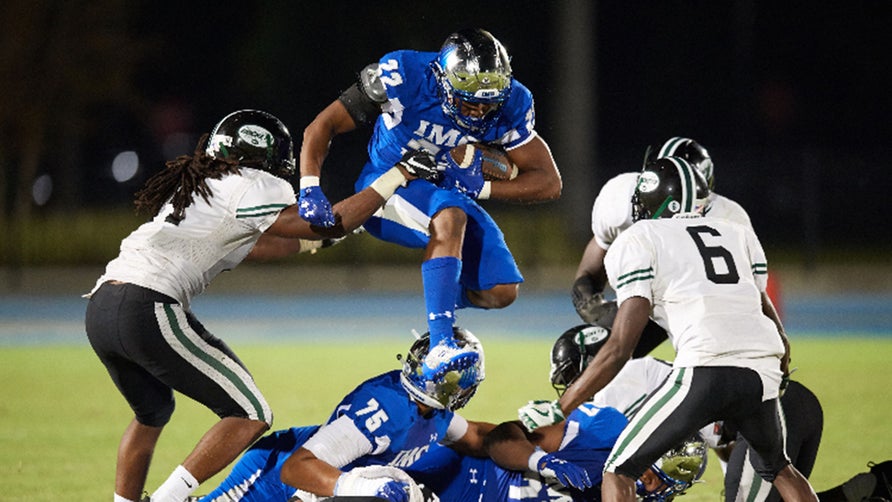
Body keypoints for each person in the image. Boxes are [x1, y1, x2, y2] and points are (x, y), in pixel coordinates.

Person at [84, 109, 436, 502]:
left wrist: (326, 239)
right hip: (147, 305)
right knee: (250, 414)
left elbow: (259, 244)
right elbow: (326, 220)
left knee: (152, 413)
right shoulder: (253, 184)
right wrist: (395, 178)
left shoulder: (206, 184)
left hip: (102, 306)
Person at [520, 157, 818, 501]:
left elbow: (620, 347)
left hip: (706, 364)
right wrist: (779, 365)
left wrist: (561, 408)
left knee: (618, 471)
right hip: (761, 368)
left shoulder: (641, 238)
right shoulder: (734, 230)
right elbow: (767, 312)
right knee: (779, 468)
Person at [297, 28, 561, 378]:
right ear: (444, 82)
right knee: (449, 216)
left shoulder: (513, 102)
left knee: (501, 291)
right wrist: (310, 186)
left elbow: (549, 182)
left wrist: (481, 189)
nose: (480, 112)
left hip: (446, 192)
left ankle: (438, 292)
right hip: (386, 185)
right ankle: (440, 345)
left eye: (488, 103)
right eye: (469, 101)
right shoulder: (405, 75)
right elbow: (324, 124)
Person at [544, 323, 825, 502]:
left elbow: (624, 467)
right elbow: (718, 436)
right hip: (784, 407)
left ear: (593, 362)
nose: (570, 386)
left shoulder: (615, 388)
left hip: (771, 414)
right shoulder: (643, 372)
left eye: (571, 374)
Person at [571, 137, 751, 357]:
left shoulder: (728, 218)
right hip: (646, 302)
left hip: (705, 309)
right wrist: (594, 307)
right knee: (584, 352)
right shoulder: (620, 203)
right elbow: (589, 273)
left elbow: (751, 295)